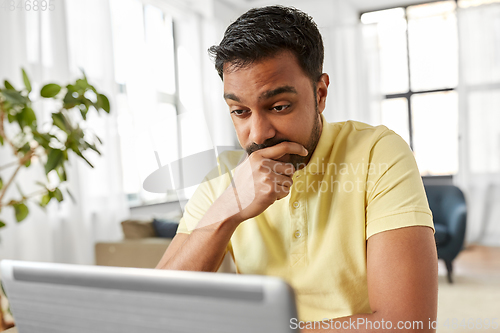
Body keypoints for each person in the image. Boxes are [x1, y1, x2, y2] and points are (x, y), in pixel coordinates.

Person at [156, 5, 438, 332]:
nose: (258, 133)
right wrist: (230, 206)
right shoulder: (226, 176)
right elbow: (158, 306)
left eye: (278, 107)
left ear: (320, 94)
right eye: (239, 111)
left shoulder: (378, 152)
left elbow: (408, 324)